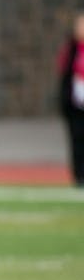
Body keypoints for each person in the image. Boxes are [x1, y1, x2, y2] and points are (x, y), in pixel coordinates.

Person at [56, 10, 84, 187]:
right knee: (77, 138)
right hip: (75, 103)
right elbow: (63, 72)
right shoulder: (71, 49)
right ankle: (79, 176)